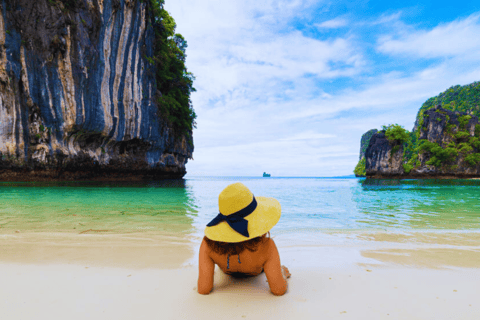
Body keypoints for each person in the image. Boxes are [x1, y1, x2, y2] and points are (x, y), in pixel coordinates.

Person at [197, 182, 291, 296]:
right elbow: (278, 290)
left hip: (227, 272)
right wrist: (282, 273)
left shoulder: (208, 244)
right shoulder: (267, 246)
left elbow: (203, 289)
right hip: (255, 272)